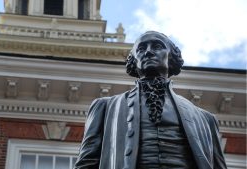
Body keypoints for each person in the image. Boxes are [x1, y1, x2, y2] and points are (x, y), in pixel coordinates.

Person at [74, 31, 227, 169]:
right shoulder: (105, 108)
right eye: (141, 49)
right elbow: (86, 163)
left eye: (157, 46)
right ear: (134, 60)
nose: (148, 52)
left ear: (171, 57)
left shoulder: (206, 120)